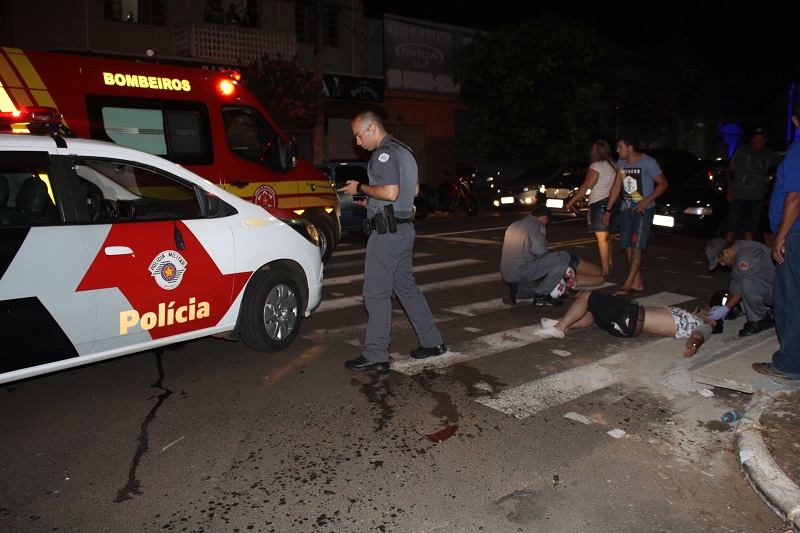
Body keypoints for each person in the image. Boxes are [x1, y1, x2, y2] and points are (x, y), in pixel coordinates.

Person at [337, 111, 446, 371]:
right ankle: (432, 342)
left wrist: (360, 188)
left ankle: (376, 354)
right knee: (406, 288)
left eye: (359, 136)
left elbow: (391, 191)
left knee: (376, 293)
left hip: (387, 234)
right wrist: (372, 201)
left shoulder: (383, 154)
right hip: (404, 230)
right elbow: (413, 191)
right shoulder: (405, 150)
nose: (358, 143)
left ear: (372, 128)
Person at [753, 101, 800, 380]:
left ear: (795, 121)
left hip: (795, 235)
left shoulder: (797, 150)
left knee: (789, 300)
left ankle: (789, 363)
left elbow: (795, 196)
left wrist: (779, 236)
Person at [535, 290, 720, 357]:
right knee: (591, 312)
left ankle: (558, 329)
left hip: (631, 316)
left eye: (707, 309)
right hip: (626, 327)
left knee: (588, 296)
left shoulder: (702, 325)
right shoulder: (688, 318)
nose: (702, 308)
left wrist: (693, 346)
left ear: (712, 320)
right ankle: (564, 323)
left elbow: (698, 336)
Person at [501, 204, 605, 307]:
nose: (547, 224)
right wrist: (550, 268)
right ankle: (541, 297)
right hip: (522, 270)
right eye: (548, 221)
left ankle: (514, 289)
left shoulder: (514, 225)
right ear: (545, 216)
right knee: (563, 256)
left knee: (542, 288)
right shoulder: (537, 224)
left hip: (507, 273)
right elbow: (540, 251)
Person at [604, 134, 668, 296]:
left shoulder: (648, 162)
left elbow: (663, 184)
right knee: (627, 246)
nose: (617, 150)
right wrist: (609, 209)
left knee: (637, 247)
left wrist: (646, 201)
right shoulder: (621, 163)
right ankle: (637, 282)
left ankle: (627, 284)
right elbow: (616, 187)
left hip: (643, 211)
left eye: (620, 147)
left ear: (630, 147)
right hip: (626, 209)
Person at [566, 139, 619, 276]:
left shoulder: (597, 165)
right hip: (612, 202)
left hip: (600, 202)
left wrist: (572, 200)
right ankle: (610, 261)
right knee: (607, 236)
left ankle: (605, 268)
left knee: (601, 237)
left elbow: (586, 186)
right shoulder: (613, 164)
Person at [705, 238, 775, 337]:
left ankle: (760, 320)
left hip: (782, 293)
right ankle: (760, 313)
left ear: (726, 252)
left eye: (721, 261)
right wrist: (725, 306)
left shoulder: (747, 255)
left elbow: (742, 289)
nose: (723, 264)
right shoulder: (738, 253)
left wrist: (725, 308)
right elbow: (735, 285)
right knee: (741, 284)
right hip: (769, 287)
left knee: (747, 284)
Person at [724, 127, 782, 241]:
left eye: (762, 139)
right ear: (752, 139)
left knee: (750, 230)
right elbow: (730, 171)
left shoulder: (770, 154)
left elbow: (783, 167)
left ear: (766, 140)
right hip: (739, 197)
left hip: (757, 198)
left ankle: (746, 256)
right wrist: (729, 189)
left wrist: (770, 177)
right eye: (756, 139)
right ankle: (724, 255)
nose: (759, 142)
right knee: (732, 228)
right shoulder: (742, 151)